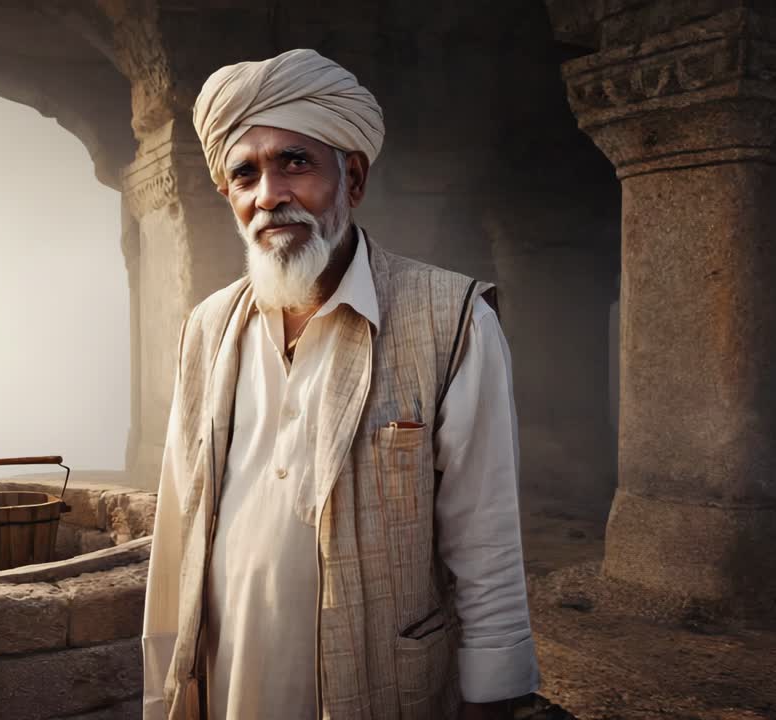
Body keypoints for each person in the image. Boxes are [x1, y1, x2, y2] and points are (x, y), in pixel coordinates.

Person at [141, 49, 540, 720]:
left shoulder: (452, 321)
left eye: (294, 162)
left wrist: (495, 696)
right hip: (230, 678)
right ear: (229, 197)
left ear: (351, 177)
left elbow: (486, 539)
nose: (269, 195)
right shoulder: (208, 330)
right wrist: (163, 694)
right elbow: (175, 535)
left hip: (380, 687)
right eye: (246, 174)